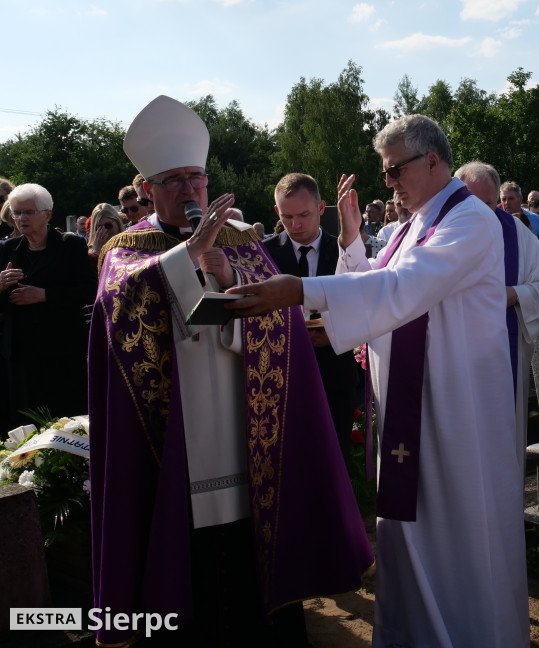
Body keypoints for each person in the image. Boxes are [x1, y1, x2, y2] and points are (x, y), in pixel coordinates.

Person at [225, 114, 529, 647]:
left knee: (457, 535)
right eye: (385, 172)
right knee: (408, 537)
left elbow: (404, 288)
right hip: (411, 408)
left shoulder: (469, 220)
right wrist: (348, 238)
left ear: (433, 160)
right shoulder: (415, 222)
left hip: (457, 411)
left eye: (395, 171)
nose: (388, 184)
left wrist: (300, 289)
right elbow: (371, 282)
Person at [88, 95, 372, 647]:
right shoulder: (125, 251)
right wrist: (187, 255)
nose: (189, 189)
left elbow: (286, 328)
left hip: (249, 437)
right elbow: (119, 313)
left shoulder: (242, 240)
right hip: (176, 438)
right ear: (147, 189)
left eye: (196, 177)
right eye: (172, 180)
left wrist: (224, 274)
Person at [456, 161, 539, 471]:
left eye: (488, 204)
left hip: (502, 350)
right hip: (453, 357)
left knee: (498, 446)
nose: (481, 212)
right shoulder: (437, 231)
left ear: (499, 202)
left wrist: (513, 294)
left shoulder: (513, 231)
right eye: (471, 203)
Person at [264, 172, 360, 468]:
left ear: (321, 208)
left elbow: (362, 304)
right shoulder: (264, 254)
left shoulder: (347, 250)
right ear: (277, 212)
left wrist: (334, 332)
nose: (296, 225)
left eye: (304, 214)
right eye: (288, 216)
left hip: (336, 370)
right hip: (282, 374)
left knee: (336, 457)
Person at [0, 183, 95, 433]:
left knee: (65, 424)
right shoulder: (8, 250)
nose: (21, 219)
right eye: (16, 213)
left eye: (29, 212)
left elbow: (89, 290)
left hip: (61, 354)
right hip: (20, 358)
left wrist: (44, 295)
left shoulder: (69, 246)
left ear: (47, 214)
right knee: (24, 428)